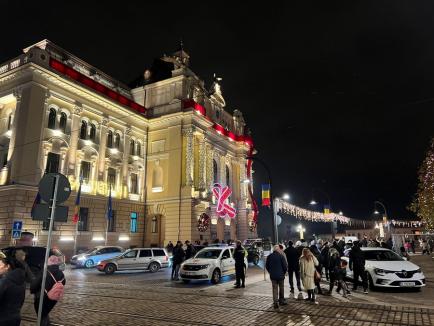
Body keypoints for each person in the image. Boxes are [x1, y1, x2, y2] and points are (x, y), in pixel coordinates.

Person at [31, 255, 66, 326]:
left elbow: (34, 285)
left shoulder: (44, 272)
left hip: (42, 298)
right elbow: (63, 282)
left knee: (41, 315)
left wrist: (32, 290)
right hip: (54, 298)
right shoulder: (61, 273)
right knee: (45, 313)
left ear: (49, 262)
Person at [0, 256, 26, 326]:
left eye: (0, 265)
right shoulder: (21, 281)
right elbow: (22, 300)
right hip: (15, 317)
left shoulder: (4, 282)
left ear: (7, 266)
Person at [266, 245, 288, 309]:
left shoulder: (269, 256)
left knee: (274, 289)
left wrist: (270, 272)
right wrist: (284, 272)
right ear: (278, 250)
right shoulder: (281, 256)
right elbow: (285, 266)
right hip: (281, 275)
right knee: (281, 288)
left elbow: (267, 266)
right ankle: (281, 300)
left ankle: (275, 302)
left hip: (273, 276)